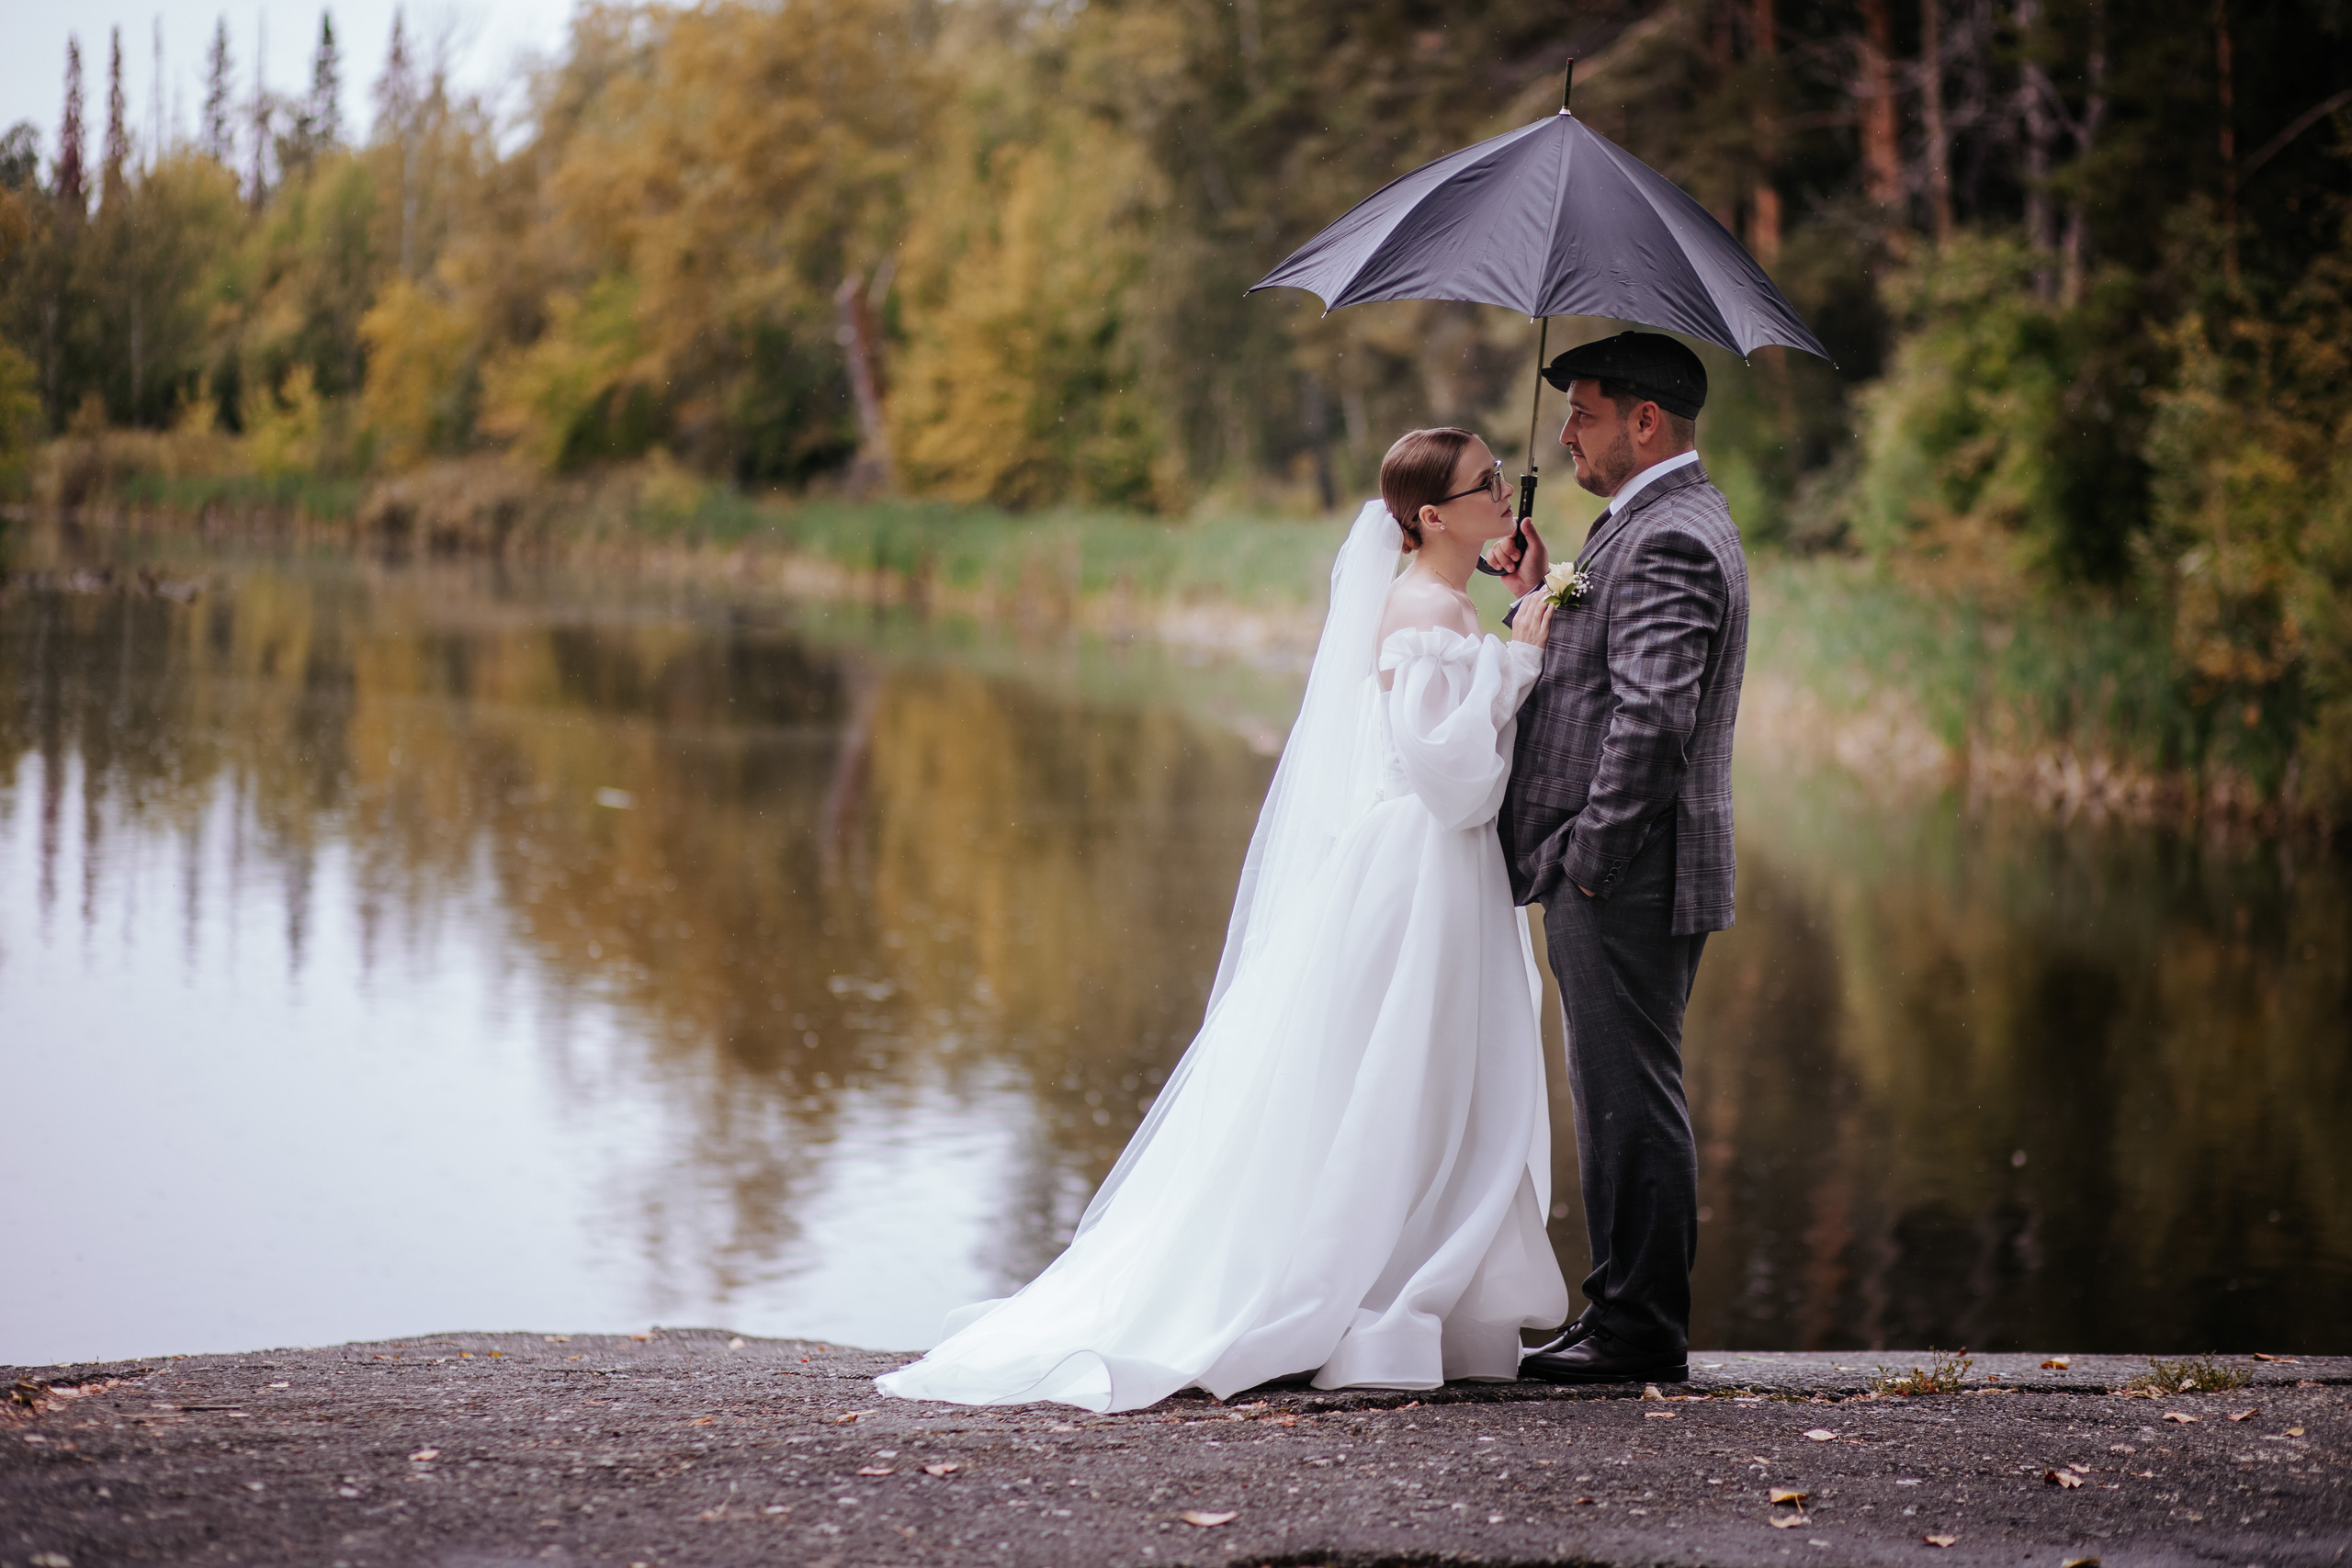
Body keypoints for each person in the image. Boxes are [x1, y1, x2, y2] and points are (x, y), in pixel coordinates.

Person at [874, 429, 1569, 1412]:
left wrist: (1508, 622)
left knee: (1432, 1076)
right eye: (1486, 482)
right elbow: (1447, 778)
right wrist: (1520, 663)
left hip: (1441, 875)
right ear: (1432, 517)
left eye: (1500, 476)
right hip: (1418, 870)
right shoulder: (1416, 607)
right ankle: (1370, 1299)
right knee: (1399, 1073)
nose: (1506, 490)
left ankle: (1419, 1293)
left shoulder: (1444, 599)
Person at [1484, 331, 1749, 1386]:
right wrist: (1541, 594)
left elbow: (1652, 723)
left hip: (1628, 872)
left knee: (1626, 1093)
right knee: (1618, 1089)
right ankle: (1625, 1314)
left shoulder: (1669, 537)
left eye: (1583, 414)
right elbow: (1602, 676)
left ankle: (1636, 1330)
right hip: (1627, 866)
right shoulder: (1645, 523)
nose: (1566, 433)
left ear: (1644, 422)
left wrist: (1586, 859)